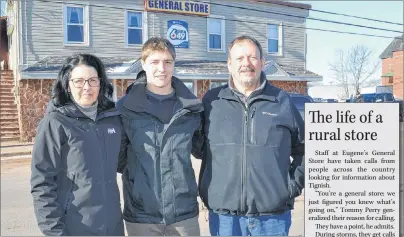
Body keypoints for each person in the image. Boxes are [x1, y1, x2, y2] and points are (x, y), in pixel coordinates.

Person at [194, 35, 305, 236]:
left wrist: (290, 187)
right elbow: (198, 148)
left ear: (262, 63)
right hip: (224, 219)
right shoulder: (212, 102)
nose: (246, 63)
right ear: (229, 64)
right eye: (239, 58)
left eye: (253, 57)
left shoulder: (281, 101)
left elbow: (305, 150)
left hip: (272, 219)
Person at [30, 53, 125, 236]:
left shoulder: (112, 120)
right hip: (75, 228)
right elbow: (42, 183)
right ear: (67, 85)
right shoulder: (55, 123)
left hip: (112, 227)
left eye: (92, 80)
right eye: (79, 81)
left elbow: (125, 163)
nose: (87, 87)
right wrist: (55, 231)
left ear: (101, 83)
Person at [117, 37, 203, 236]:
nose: (161, 69)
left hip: (184, 214)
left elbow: (202, 150)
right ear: (143, 64)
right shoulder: (125, 108)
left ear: (174, 64)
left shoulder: (192, 108)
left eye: (167, 62)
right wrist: (139, 180)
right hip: (142, 215)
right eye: (154, 62)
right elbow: (119, 159)